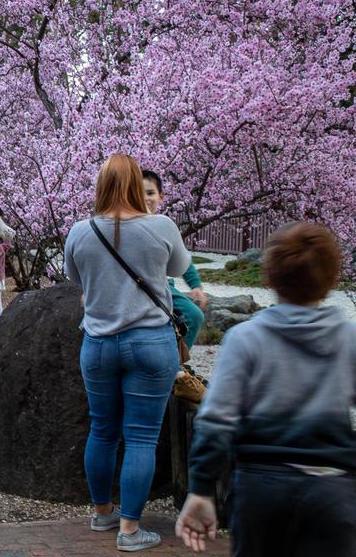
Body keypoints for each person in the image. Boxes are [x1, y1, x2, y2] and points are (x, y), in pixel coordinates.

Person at [176, 222, 354, 556]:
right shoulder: (347, 340)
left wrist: (201, 490)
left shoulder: (245, 339)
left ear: (269, 278)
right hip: (332, 490)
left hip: (261, 488)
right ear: (331, 279)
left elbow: (216, 419)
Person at [64, 154, 189, 552]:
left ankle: (103, 513)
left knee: (102, 430)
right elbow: (179, 267)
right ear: (138, 183)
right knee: (141, 438)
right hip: (150, 343)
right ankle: (131, 531)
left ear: (100, 185)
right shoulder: (161, 226)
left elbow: (75, 277)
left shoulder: (80, 232)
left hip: (98, 344)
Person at [141, 170, 208, 348]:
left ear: (161, 196)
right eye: (138, 194)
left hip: (164, 286)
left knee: (194, 315)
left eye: (150, 193)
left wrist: (195, 285)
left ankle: (178, 358)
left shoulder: (163, 226)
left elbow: (183, 259)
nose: (145, 199)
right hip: (140, 287)